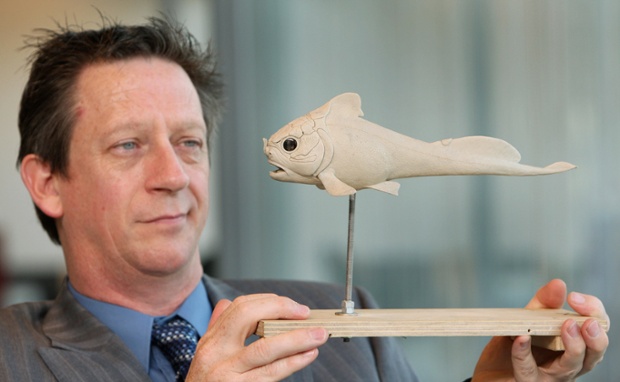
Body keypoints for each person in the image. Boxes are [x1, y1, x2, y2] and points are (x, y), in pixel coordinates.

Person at [0, 16, 608, 381]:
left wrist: (497, 378)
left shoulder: (346, 326)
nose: (174, 175)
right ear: (47, 182)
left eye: (189, 142)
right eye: (128, 146)